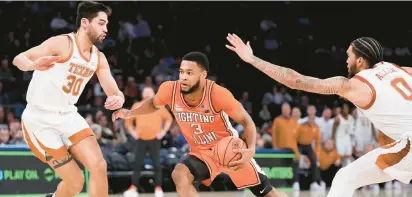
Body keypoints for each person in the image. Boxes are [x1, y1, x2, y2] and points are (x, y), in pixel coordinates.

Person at [226, 33, 412, 197]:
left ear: (361, 61)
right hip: (406, 142)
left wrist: (252, 59)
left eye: (349, 56)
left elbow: (294, 80)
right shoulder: (398, 69)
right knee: (346, 177)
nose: (346, 60)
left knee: (345, 178)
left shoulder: (355, 85)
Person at [112, 52, 287, 197]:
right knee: (179, 174)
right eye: (181, 72)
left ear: (203, 75)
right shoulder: (170, 90)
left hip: (228, 149)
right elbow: (153, 103)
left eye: (190, 73)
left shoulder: (218, 94)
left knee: (268, 194)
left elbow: (246, 121)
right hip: (201, 153)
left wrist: (251, 149)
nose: (183, 77)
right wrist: (130, 113)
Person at [12, 2, 125, 197]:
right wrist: (33, 65)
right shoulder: (62, 43)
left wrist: (118, 99)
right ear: (84, 22)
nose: (106, 29)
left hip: (68, 116)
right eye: (101, 23)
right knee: (76, 183)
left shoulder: (99, 58)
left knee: (99, 166)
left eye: (106, 24)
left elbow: (115, 92)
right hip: (40, 119)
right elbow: (19, 58)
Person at [123, 86, 173, 197]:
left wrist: (163, 131)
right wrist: (132, 132)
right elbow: (128, 121)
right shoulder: (136, 106)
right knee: (137, 164)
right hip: (140, 139)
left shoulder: (159, 107)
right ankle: (133, 187)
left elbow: (169, 119)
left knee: (157, 164)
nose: (147, 94)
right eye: (145, 92)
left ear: (153, 94)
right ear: (142, 94)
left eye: (149, 92)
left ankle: (158, 188)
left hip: (155, 139)